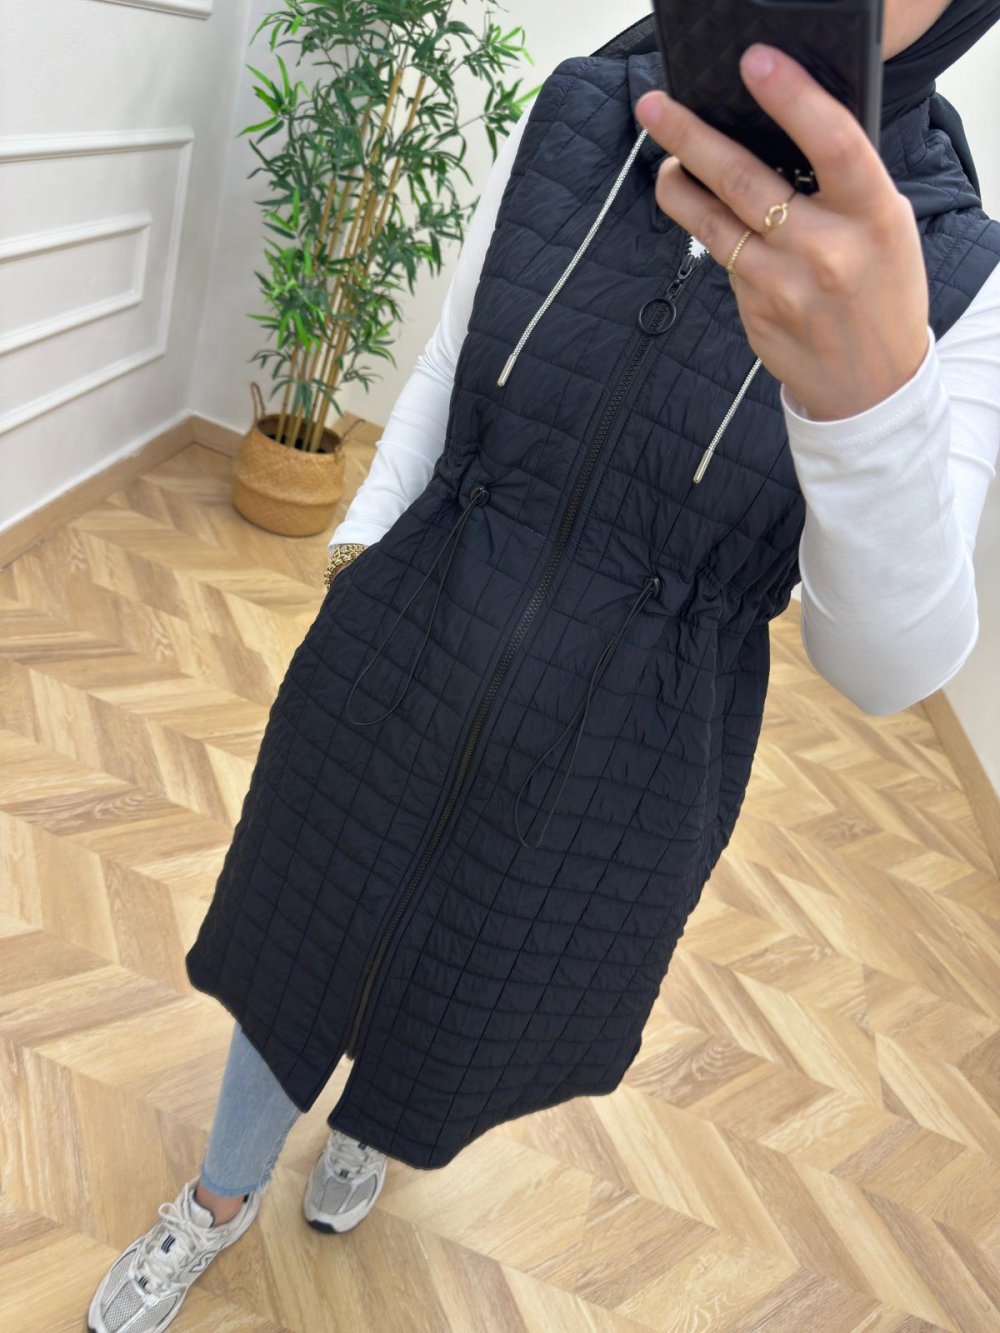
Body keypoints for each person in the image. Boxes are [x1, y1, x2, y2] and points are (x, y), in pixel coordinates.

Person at [88, 4, 1000, 1330]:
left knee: (465, 973)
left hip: (631, 740)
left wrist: (869, 404)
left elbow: (885, 663)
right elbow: (450, 365)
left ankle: (372, 1126)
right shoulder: (583, 107)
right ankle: (217, 1198)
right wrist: (361, 564)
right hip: (415, 626)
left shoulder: (952, 275)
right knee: (302, 927)